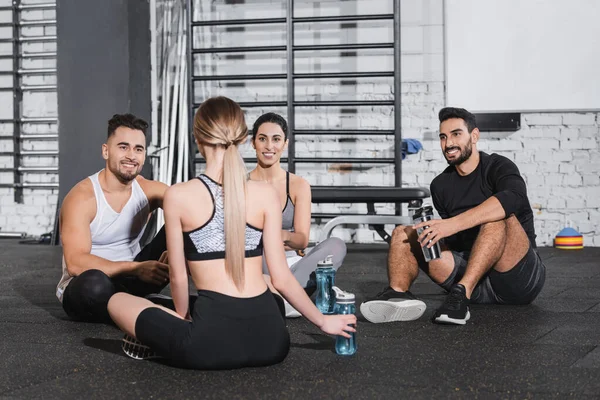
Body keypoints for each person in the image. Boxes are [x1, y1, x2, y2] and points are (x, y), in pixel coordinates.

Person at [108, 96, 356, 370]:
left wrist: (181, 322)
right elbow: (282, 278)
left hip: (207, 346)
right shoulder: (266, 195)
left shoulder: (179, 195)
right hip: (273, 342)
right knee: (269, 296)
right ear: (242, 138)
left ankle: (165, 344)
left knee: (117, 300)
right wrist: (323, 321)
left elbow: (178, 278)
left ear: (197, 137)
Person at [360, 107, 546, 325]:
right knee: (404, 233)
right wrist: (428, 237)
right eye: (443, 137)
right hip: (475, 277)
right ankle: (398, 295)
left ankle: (462, 295)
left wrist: (451, 225)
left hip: (518, 279)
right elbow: (455, 244)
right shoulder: (440, 185)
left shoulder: (498, 166)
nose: (448, 144)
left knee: (497, 216)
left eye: (456, 134)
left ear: (474, 136)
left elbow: (513, 199)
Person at [57, 114, 169, 322]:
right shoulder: (82, 198)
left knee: (184, 226)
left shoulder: (149, 190)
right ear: (106, 151)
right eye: (123, 147)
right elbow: (75, 262)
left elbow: (192, 207)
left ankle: (209, 302)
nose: (131, 156)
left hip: (135, 278)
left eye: (138, 149)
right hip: (91, 282)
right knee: (94, 286)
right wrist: (135, 269)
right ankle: (145, 309)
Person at [248, 112, 347, 317]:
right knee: (263, 245)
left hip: (294, 265)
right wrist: (274, 239)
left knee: (336, 244)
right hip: (260, 265)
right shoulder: (241, 184)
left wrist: (276, 235)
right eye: (262, 139)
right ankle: (303, 299)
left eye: (276, 139)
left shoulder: (298, 185)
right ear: (253, 142)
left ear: (285, 144)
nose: (269, 146)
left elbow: (301, 240)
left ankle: (284, 300)